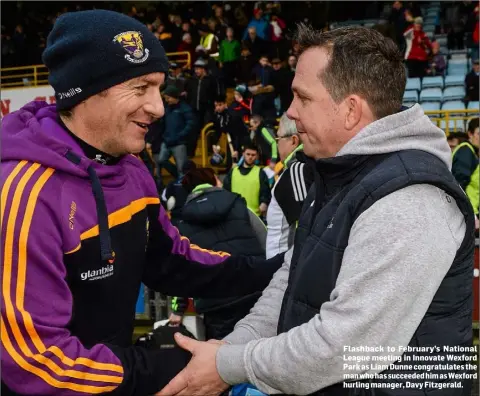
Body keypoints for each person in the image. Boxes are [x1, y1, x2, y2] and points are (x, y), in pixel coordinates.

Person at [157, 24, 475, 396]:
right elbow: (288, 284)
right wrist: (228, 349)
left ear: (350, 110)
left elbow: (339, 346)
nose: (290, 113)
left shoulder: (410, 200)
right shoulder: (335, 175)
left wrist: (230, 366)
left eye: (302, 98)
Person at [0, 10, 285, 396]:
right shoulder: (25, 194)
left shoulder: (132, 169)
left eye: (159, 88)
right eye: (140, 87)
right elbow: (31, 361)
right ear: (85, 90)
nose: (158, 107)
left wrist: (276, 270)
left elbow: (172, 260)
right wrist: (154, 367)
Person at [168, 167, 267, 340]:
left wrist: (178, 310)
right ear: (214, 180)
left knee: (222, 358)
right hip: (253, 288)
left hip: (215, 301)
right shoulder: (238, 204)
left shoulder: (182, 224)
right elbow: (266, 240)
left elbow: (182, 273)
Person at [265, 114, 314, 259]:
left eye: (278, 139)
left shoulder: (296, 172)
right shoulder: (303, 168)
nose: (276, 144)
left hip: (286, 267)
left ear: (293, 140)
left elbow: (305, 227)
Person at [223, 144, 271, 218]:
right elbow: (225, 191)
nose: (250, 157)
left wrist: (264, 203)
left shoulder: (260, 173)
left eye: (253, 155)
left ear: (257, 156)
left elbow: (265, 191)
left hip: (254, 216)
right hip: (234, 214)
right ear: (243, 154)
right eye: (248, 154)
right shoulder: (233, 172)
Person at [452, 117, 479, 231]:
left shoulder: (471, 152)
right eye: (479, 133)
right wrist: (471, 215)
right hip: (467, 214)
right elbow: (459, 184)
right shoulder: (465, 152)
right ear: (470, 134)